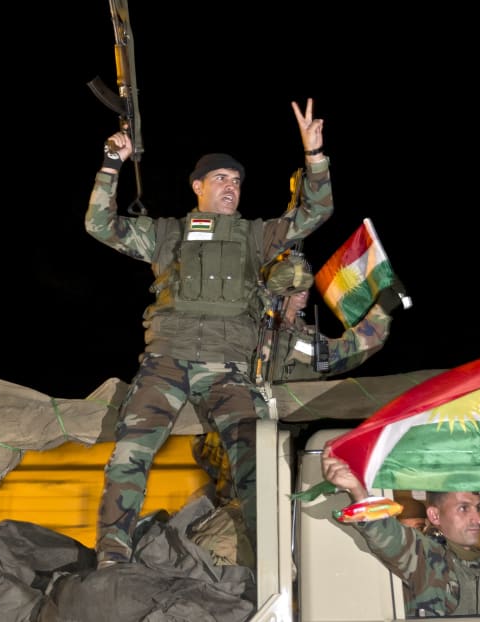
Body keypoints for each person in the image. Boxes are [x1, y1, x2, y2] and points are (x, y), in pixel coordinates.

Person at [85, 98, 334, 568]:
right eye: (221, 179)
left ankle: (276, 561)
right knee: (129, 454)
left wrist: (314, 156)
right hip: (167, 361)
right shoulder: (166, 234)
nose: (231, 188)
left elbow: (316, 212)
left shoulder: (256, 237)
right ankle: (113, 554)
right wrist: (111, 162)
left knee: (257, 463)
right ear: (197, 186)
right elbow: (99, 223)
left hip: (228, 369)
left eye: (237, 182)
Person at [320, 445, 480, 616]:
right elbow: (388, 535)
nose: (478, 518)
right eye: (464, 508)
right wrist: (358, 492)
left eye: (478, 507)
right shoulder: (427, 556)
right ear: (435, 516)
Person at [257, 254, 409, 382]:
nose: (304, 291)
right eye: (295, 287)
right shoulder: (273, 330)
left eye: (305, 285)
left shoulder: (301, 329)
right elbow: (337, 355)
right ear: (277, 292)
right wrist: (382, 309)